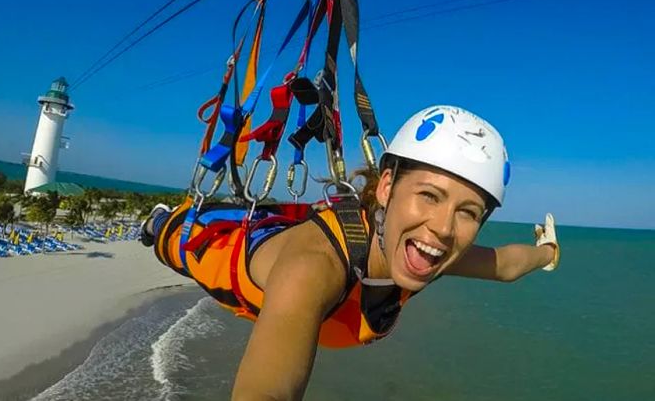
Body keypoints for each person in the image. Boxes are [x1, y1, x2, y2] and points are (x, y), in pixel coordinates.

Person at [140, 105, 560, 401]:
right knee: (172, 239)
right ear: (387, 187)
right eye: (429, 196)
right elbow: (265, 391)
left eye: (468, 213)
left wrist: (548, 251)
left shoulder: (429, 252)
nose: (444, 228)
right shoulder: (313, 269)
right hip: (224, 248)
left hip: (302, 241)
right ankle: (159, 222)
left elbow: (504, 265)